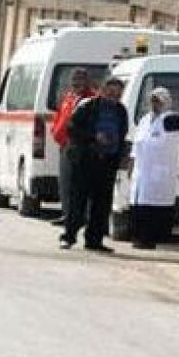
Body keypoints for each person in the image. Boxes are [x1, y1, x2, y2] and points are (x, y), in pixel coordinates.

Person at [60, 77, 129, 253]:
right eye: (110, 92)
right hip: (85, 161)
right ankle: (68, 236)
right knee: (78, 201)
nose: (113, 96)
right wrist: (93, 137)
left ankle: (94, 240)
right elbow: (71, 128)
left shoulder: (120, 111)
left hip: (107, 162)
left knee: (102, 204)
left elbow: (122, 133)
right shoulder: (88, 106)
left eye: (117, 94)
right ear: (103, 90)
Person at [129, 87, 179, 250]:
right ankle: (139, 237)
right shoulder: (145, 119)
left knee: (155, 207)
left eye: (158, 101)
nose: (154, 104)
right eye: (152, 101)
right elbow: (137, 143)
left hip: (160, 171)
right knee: (139, 206)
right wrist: (131, 164)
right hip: (141, 172)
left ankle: (152, 239)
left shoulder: (172, 119)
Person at [50, 68, 98, 227]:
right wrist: (55, 132)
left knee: (78, 185)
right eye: (74, 80)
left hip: (80, 146)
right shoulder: (69, 97)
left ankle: (78, 218)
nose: (76, 83)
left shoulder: (91, 99)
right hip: (65, 145)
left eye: (80, 79)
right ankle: (66, 214)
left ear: (87, 81)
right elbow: (59, 117)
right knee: (65, 183)